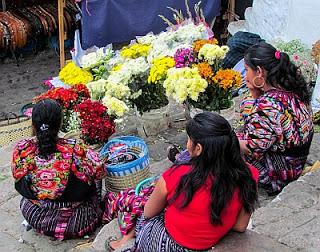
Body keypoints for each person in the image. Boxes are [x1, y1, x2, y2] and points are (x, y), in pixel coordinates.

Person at [130, 112, 259, 251]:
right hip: (209, 244)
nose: (187, 144)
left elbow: (149, 212)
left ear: (198, 149)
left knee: (136, 205)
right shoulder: (250, 174)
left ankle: (122, 242)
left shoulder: (177, 175)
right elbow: (240, 227)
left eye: (189, 139)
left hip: (170, 244)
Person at [11, 99, 106, 240]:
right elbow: (101, 172)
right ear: (60, 123)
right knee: (93, 176)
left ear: (33, 124)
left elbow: (16, 175)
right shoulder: (76, 150)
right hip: (77, 221)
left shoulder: (22, 148)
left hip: (35, 216)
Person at [238, 42, 314, 194]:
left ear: (259, 71)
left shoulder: (267, 106)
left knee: (218, 145)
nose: (245, 76)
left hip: (278, 176)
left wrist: (226, 140)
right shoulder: (293, 89)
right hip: (296, 164)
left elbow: (253, 147)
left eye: (246, 70)